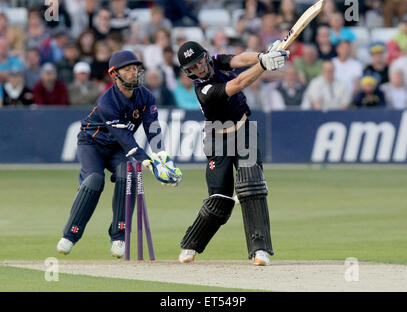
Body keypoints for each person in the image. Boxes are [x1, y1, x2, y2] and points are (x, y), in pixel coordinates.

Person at [56, 50, 182, 258]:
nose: (134, 73)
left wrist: (164, 159)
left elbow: (153, 130)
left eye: (136, 69)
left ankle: (118, 237)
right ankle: (70, 235)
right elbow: (127, 139)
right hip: (92, 144)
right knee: (94, 180)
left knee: (129, 175)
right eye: (128, 69)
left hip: (117, 149)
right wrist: (151, 165)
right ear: (115, 74)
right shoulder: (107, 102)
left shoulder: (146, 97)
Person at [176, 39, 289, 265]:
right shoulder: (203, 89)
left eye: (200, 62)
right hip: (217, 138)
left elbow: (239, 59)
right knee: (220, 199)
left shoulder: (217, 62)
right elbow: (237, 84)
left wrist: (261, 56)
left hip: (243, 129)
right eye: (193, 68)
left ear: (206, 57)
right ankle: (191, 244)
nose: (199, 69)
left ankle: (260, 250)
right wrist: (264, 65)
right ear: (187, 72)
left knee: (252, 185)